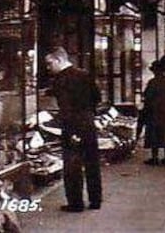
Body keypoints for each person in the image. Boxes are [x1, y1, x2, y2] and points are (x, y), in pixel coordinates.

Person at [45, 47, 102, 213]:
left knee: (72, 166)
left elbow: (65, 107)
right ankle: (95, 200)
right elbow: (97, 97)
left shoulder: (60, 80)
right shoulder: (85, 74)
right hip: (88, 123)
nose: (48, 68)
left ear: (58, 60)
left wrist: (70, 130)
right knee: (92, 162)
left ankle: (75, 203)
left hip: (72, 125)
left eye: (49, 63)